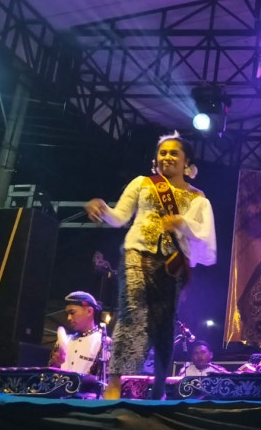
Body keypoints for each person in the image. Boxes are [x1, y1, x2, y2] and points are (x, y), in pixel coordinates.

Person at [84, 132, 217, 400]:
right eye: (162, 153)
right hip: (136, 252)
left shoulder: (198, 197)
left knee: (163, 324)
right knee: (132, 313)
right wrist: (103, 209)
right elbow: (120, 217)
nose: (167, 157)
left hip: (172, 265)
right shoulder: (143, 183)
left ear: (186, 160)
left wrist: (182, 223)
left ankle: (158, 386)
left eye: (174, 153)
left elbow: (204, 235)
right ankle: (116, 382)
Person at [48, 291, 106, 376]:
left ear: (89, 311)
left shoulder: (102, 343)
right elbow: (49, 376)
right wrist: (56, 364)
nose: (69, 318)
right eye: (67, 314)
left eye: (72, 313)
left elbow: (106, 380)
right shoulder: (66, 340)